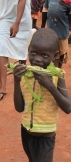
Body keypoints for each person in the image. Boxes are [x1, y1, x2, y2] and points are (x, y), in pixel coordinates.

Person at [13, 28, 71, 162]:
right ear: (28, 51)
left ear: (54, 55)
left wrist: (50, 85)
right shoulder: (24, 75)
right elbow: (19, 108)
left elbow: (68, 107)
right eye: (33, 53)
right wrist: (16, 81)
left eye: (44, 55)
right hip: (26, 132)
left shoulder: (57, 75)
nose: (37, 59)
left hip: (46, 136)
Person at [0, 0, 32, 101]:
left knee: (22, 52)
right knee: (3, 50)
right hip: (4, 17)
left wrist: (17, 23)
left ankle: (22, 84)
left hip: (22, 18)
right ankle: (2, 88)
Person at [47, 0, 70, 68]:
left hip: (63, 32)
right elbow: (46, 10)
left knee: (62, 51)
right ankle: (56, 67)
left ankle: (59, 67)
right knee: (54, 51)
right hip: (51, 31)